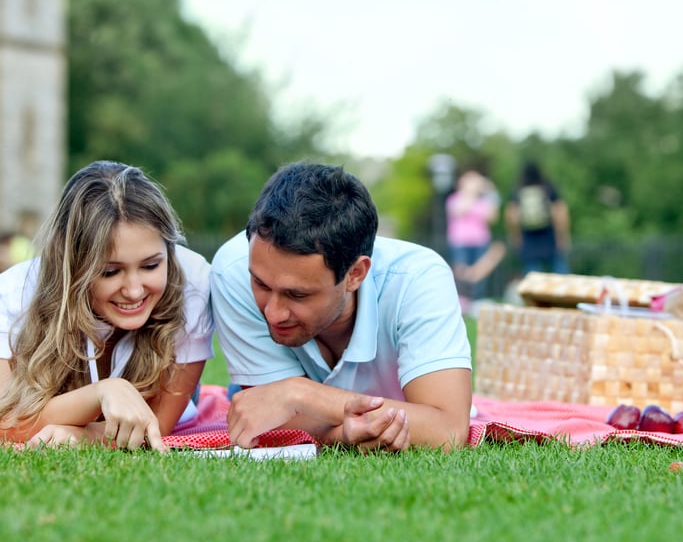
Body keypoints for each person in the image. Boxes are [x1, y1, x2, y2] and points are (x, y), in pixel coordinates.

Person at [211, 162, 472, 452]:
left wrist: (298, 393)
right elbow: (262, 416)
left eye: (297, 295)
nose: (273, 313)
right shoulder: (234, 270)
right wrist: (341, 434)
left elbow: (447, 430)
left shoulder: (418, 278)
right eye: (260, 285)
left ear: (355, 274)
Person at [0, 161, 214, 451]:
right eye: (110, 272)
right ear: (75, 265)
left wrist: (79, 435)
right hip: (35, 392)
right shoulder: (21, 289)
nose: (134, 290)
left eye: (151, 265)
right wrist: (103, 391)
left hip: (151, 390)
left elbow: (155, 427)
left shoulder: (193, 282)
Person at [505, 161, 572, 275]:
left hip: (528, 236)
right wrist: (562, 235)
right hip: (549, 234)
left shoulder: (519, 190)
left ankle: (533, 292)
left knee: (532, 272)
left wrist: (516, 236)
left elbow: (512, 216)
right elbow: (560, 213)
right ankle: (563, 291)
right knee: (559, 268)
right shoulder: (548, 188)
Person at [446, 169, 500, 303]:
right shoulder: (454, 199)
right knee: (461, 270)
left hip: (480, 240)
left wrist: (490, 191)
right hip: (460, 241)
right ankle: (462, 299)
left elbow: (492, 218)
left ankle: (477, 300)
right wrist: (470, 192)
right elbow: (460, 211)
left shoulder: (483, 201)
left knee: (480, 271)